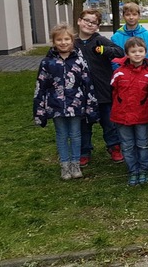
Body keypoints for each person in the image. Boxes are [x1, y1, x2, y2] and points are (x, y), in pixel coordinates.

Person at [33, 23, 98, 180]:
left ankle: (75, 164)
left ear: (72, 40)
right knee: (61, 135)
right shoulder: (47, 63)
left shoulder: (79, 61)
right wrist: (39, 110)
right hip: (56, 106)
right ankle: (65, 165)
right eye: (59, 40)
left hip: (76, 105)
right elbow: (40, 86)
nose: (63, 42)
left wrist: (91, 107)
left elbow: (87, 84)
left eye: (67, 39)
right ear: (54, 41)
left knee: (76, 135)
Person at [75, 9, 125, 167]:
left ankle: (114, 147)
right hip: (81, 92)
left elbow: (119, 52)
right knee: (84, 124)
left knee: (109, 122)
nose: (89, 24)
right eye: (86, 20)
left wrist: (105, 50)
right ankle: (84, 151)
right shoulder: (72, 42)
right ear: (79, 21)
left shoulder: (100, 40)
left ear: (97, 26)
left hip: (103, 89)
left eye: (93, 22)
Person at [110, 37, 148, 186]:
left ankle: (144, 170)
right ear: (127, 53)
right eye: (133, 51)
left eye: (140, 51)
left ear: (145, 52)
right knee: (127, 145)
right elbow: (113, 91)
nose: (137, 54)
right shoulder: (119, 73)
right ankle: (133, 170)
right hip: (121, 115)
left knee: (143, 144)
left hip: (141, 115)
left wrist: (144, 106)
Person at [111, 2, 148, 69]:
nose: (131, 17)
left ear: (139, 16)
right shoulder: (116, 37)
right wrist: (120, 72)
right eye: (127, 15)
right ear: (123, 16)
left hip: (145, 74)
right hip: (124, 75)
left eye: (134, 14)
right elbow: (113, 58)